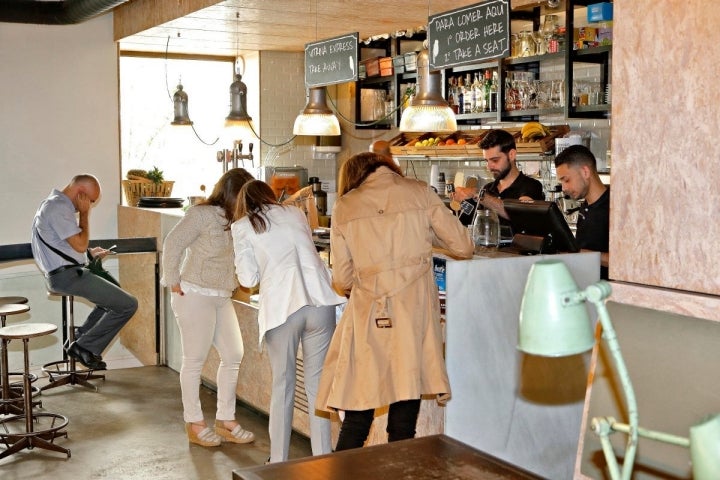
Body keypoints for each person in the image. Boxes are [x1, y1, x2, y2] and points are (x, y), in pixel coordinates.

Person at [316, 152, 474, 450]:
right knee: (404, 419)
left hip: (369, 315)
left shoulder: (345, 205)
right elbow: (464, 246)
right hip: (413, 316)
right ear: (387, 167)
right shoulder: (419, 192)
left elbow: (343, 279)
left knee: (357, 413)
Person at [231, 180, 346, 463]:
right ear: (270, 196)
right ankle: (322, 459)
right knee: (318, 387)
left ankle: (279, 461)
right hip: (320, 301)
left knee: (283, 386)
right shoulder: (295, 213)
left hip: (283, 308)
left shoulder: (243, 226)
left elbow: (248, 280)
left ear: (244, 204)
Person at [161, 168, 256, 448]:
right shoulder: (201, 214)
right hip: (194, 293)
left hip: (221, 295)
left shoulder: (240, 220)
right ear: (232, 194)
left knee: (233, 354)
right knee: (194, 361)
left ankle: (226, 420)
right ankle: (195, 423)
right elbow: (172, 243)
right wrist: (173, 280)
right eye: (244, 196)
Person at [31, 174, 137, 371]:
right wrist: (85, 215)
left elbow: (65, 246)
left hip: (65, 273)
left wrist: (89, 253)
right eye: (91, 201)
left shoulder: (52, 204)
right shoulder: (58, 208)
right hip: (66, 276)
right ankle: (83, 346)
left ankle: (80, 340)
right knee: (129, 304)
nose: (91, 205)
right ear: (81, 194)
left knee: (115, 297)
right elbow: (79, 244)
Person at [456, 129, 545, 239]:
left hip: (519, 255)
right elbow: (468, 222)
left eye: (495, 160)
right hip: (489, 253)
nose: (489, 167)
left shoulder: (531, 186)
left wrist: (478, 195)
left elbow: (519, 214)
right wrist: (461, 203)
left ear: (511, 155)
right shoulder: (488, 189)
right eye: (486, 161)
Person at [554, 144, 610, 279]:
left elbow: (623, 262)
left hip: (605, 293)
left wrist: (580, 254)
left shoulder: (613, 208)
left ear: (585, 172)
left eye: (566, 180)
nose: (564, 188)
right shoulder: (585, 206)